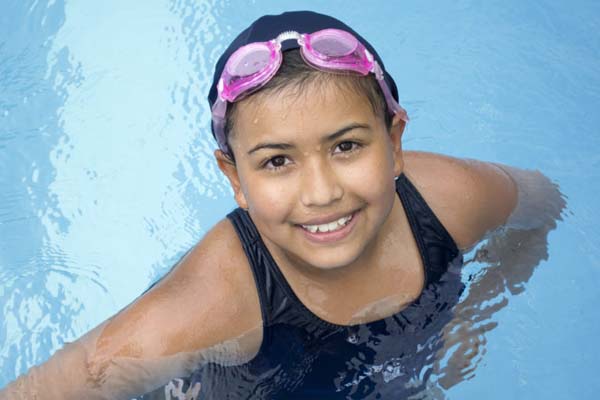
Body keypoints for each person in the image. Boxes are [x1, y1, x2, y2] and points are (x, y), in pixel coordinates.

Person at [0, 10, 564, 400]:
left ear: (394, 143)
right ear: (235, 179)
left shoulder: (451, 201)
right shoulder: (216, 302)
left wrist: (479, 312)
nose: (320, 193)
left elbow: (544, 202)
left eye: (347, 146)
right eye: (276, 161)